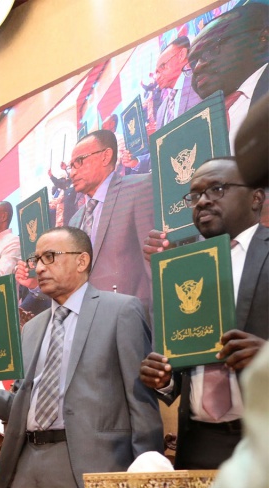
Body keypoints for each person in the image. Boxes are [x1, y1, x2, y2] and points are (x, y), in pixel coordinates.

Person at [0, 226, 163, 488]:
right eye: (36, 259)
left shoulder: (121, 311)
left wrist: (147, 477)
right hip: (25, 465)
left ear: (82, 261)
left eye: (50, 257)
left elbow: (141, 401)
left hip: (92, 465)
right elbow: (22, 406)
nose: (39, 268)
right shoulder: (32, 329)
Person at [140, 157, 267, 469]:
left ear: (256, 197)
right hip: (199, 443)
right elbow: (186, 358)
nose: (203, 201)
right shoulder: (182, 267)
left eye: (217, 189)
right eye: (195, 195)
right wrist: (164, 378)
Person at [18, 129, 154, 313]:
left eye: (79, 162)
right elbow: (71, 283)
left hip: (134, 320)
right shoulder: (76, 220)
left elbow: (156, 265)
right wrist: (35, 284)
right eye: (71, 167)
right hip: (86, 323)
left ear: (105, 156)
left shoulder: (139, 189)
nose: (73, 172)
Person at [188, 3, 269, 152]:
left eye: (212, 49)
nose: (198, 67)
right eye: (193, 63)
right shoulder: (194, 125)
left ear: (262, 38)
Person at [122, 36, 202, 173]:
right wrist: (136, 162)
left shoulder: (200, 84)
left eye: (162, 67)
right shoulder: (161, 110)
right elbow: (163, 152)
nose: (157, 76)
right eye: (156, 72)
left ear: (182, 55)